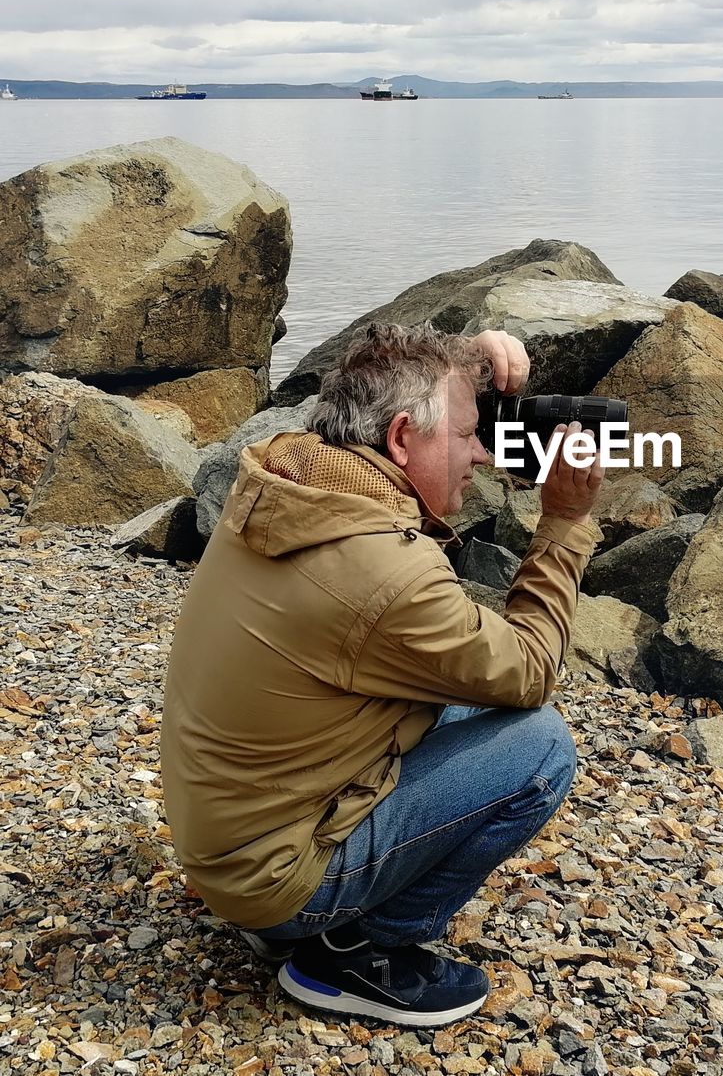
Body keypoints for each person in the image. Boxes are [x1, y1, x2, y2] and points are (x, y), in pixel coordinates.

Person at [160, 322, 604, 1028]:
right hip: (273, 876)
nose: (483, 453)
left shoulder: (292, 469)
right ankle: (353, 951)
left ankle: (305, 918)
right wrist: (564, 522)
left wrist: (464, 359)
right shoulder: (384, 570)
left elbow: (373, 372)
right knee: (539, 745)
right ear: (402, 438)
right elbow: (529, 670)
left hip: (225, 836)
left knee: (454, 702)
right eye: (467, 434)